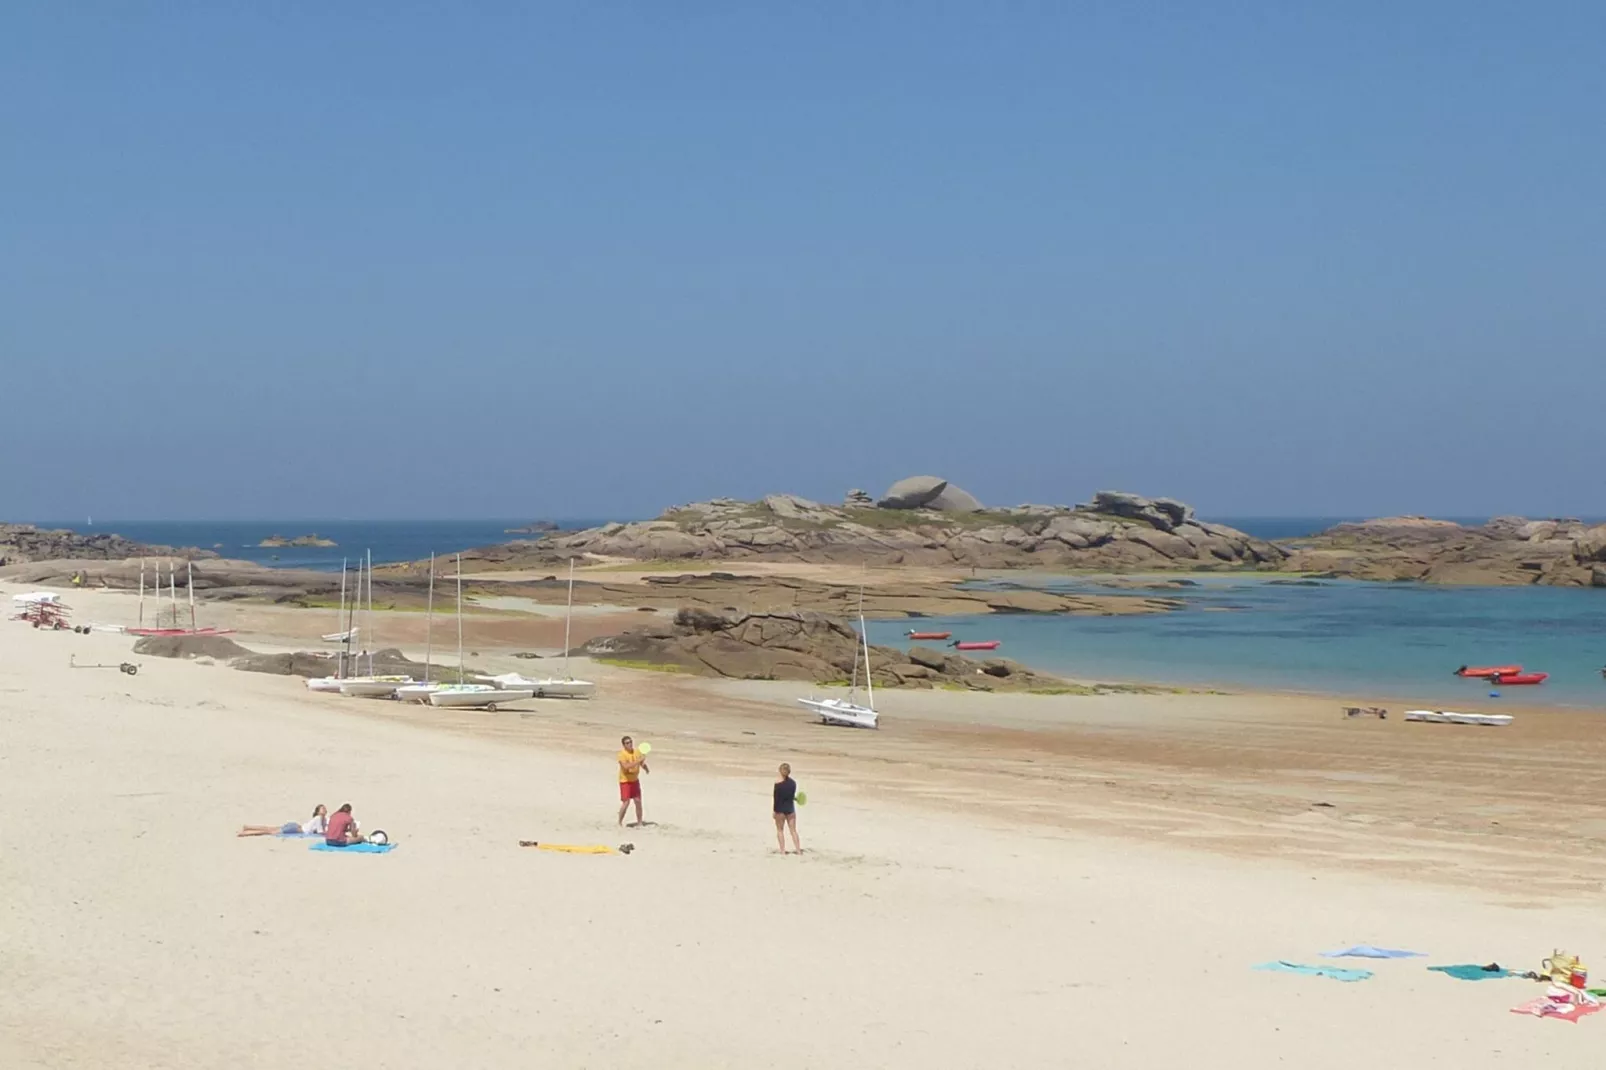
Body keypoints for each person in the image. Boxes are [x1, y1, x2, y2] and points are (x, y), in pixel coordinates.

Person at [238, 804, 327, 838]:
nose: (324, 810)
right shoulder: (319, 818)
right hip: (295, 829)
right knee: (269, 832)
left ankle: (248, 827)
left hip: (295, 826)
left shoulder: (321, 819)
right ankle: (245, 833)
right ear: (318, 812)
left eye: (324, 808)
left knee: (269, 828)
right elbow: (320, 832)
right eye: (322, 809)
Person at [616, 735, 649, 827]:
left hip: (635, 780)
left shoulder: (636, 752)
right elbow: (626, 767)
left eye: (630, 742)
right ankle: (619, 822)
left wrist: (645, 767)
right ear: (624, 745)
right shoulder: (621, 754)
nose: (630, 744)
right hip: (625, 781)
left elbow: (641, 762)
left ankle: (639, 823)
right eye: (627, 743)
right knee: (626, 802)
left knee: (638, 801)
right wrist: (638, 761)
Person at [773, 763, 802, 854]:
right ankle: (798, 850)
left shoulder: (777, 784)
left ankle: (782, 851)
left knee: (780, 830)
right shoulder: (793, 783)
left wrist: (774, 811)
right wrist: (795, 798)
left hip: (780, 809)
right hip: (790, 809)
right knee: (793, 831)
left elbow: (776, 799)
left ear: (781, 771)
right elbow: (790, 796)